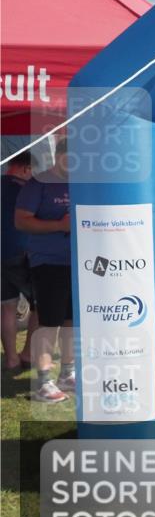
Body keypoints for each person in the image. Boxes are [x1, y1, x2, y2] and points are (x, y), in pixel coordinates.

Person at [14, 138, 74, 402]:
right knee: (48, 324)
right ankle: (43, 382)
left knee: (73, 323)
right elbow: (21, 221)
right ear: (58, 155)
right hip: (48, 263)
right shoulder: (38, 184)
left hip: (81, 265)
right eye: (67, 156)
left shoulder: (82, 183)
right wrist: (60, 225)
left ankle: (68, 374)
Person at [2, 152, 37, 372]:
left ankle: (11, 359)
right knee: (41, 305)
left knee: (6, 308)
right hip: (20, 253)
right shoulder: (25, 189)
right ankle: (27, 354)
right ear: (25, 168)